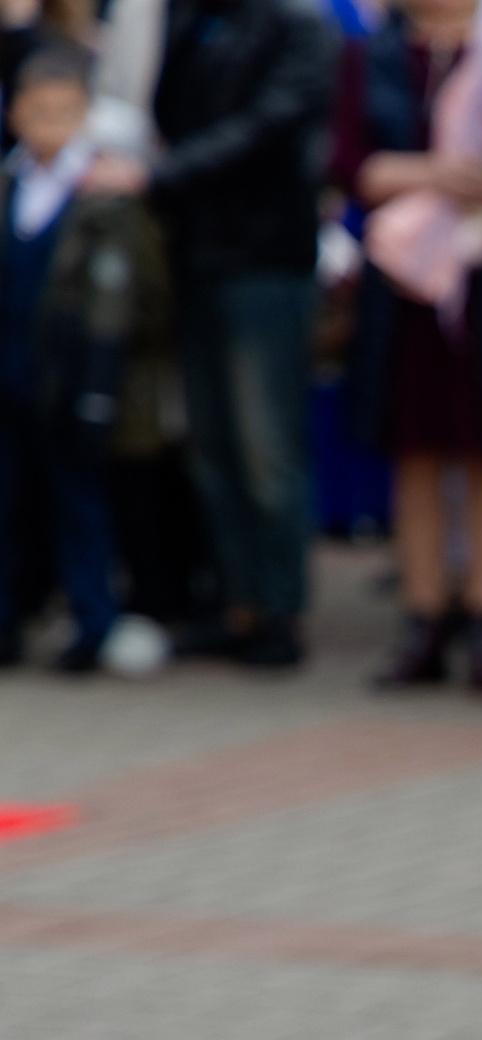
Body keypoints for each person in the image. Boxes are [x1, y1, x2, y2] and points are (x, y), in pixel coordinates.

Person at [337, 0, 482, 690]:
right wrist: (439, 175)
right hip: (408, 279)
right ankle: (423, 617)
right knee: (415, 445)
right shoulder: (374, 54)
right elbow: (352, 164)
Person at [96, 0, 337, 668]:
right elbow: (160, 112)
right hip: (193, 255)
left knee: (266, 446)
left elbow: (264, 128)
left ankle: (279, 610)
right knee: (211, 447)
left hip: (265, 260)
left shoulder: (299, 27)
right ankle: (236, 603)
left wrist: (157, 175)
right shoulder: (191, 18)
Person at [0, 49, 116, 671]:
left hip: (70, 378)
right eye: (38, 111)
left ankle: (91, 622)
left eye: (64, 113)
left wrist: (98, 383)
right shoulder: (9, 184)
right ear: (15, 114)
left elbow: (115, 303)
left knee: (78, 502)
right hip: (10, 372)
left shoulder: (99, 192)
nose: (49, 125)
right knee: (9, 505)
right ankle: (8, 620)